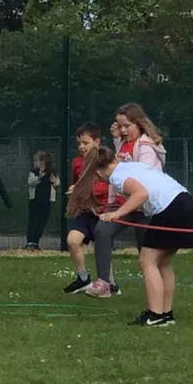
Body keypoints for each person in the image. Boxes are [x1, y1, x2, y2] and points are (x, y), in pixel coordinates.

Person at [79, 146, 193, 327]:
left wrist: (116, 214)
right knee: (163, 262)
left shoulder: (117, 177)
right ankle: (166, 314)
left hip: (170, 208)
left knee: (147, 261)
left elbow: (140, 194)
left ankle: (155, 314)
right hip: (185, 202)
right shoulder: (130, 166)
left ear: (96, 170)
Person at [86, 103, 166, 298]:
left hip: (144, 206)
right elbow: (119, 164)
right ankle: (104, 283)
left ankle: (157, 295)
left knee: (146, 254)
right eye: (120, 126)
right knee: (102, 230)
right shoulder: (124, 143)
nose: (122, 130)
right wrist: (116, 141)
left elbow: (141, 176)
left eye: (127, 126)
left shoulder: (146, 147)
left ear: (139, 123)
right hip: (123, 203)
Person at [63, 123, 119, 294]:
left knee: (101, 248)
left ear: (97, 142)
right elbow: (77, 183)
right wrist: (75, 193)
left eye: (85, 143)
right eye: (79, 143)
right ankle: (83, 279)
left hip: (102, 212)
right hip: (86, 211)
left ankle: (110, 284)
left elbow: (109, 185)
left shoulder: (104, 161)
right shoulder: (77, 162)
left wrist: (84, 190)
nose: (81, 147)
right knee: (72, 240)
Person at [25, 151, 60, 249]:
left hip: (46, 201)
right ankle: (30, 242)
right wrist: (39, 176)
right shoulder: (33, 172)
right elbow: (30, 182)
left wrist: (53, 181)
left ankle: (36, 241)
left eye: (38, 161)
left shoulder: (51, 173)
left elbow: (57, 184)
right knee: (33, 221)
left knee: (41, 222)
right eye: (35, 161)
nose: (36, 163)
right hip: (34, 201)